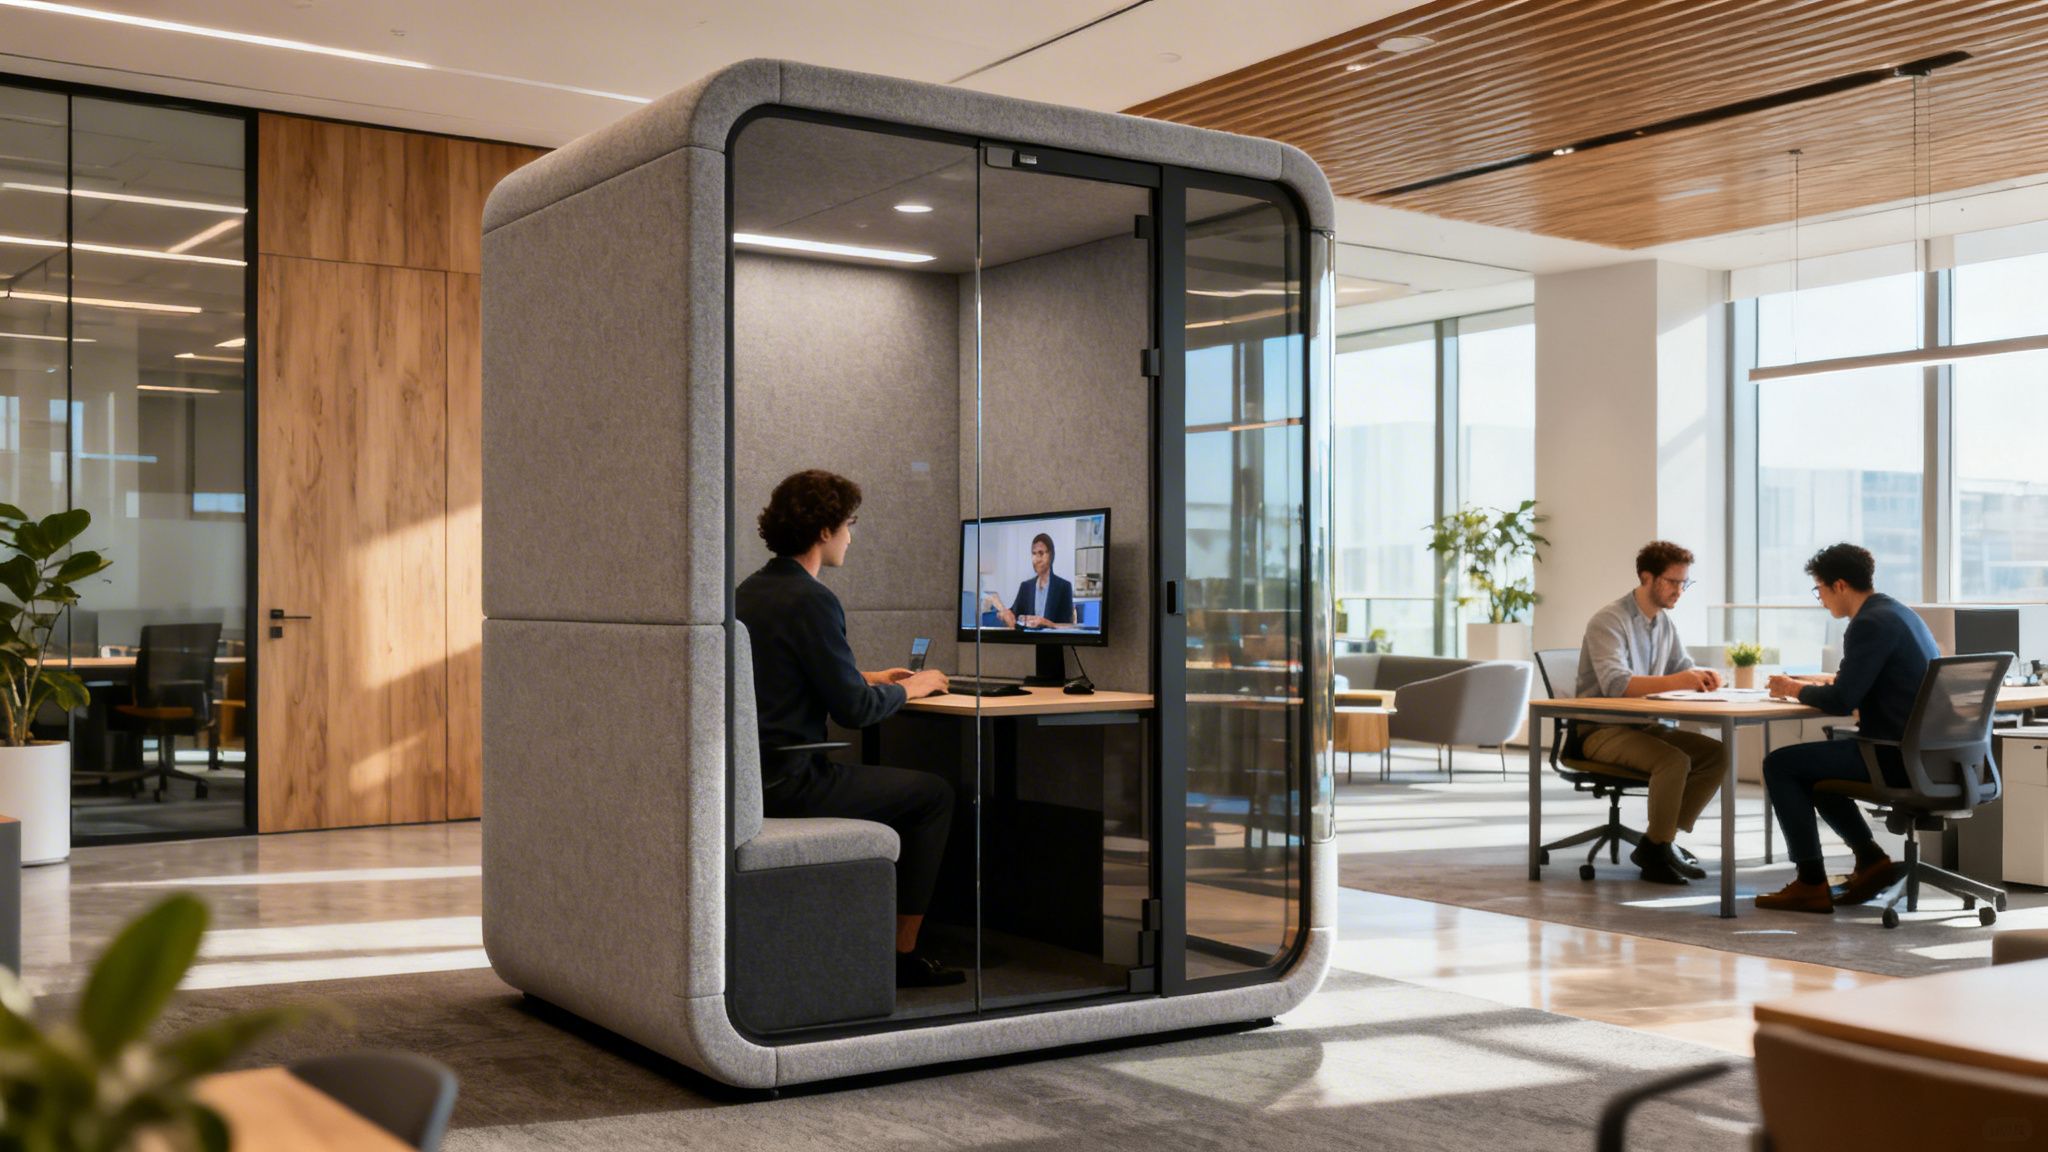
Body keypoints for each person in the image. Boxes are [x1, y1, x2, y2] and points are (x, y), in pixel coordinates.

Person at [735, 469, 963, 987]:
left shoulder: (750, 591)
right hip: (793, 780)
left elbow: (783, 675)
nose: (850, 537)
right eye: (848, 524)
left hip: (754, 778)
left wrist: (870, 676)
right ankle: (900, 955)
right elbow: (855, 712)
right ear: (824, 531)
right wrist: (915, 686)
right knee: (934, 795)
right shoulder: (814, 599)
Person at [1755, 543, 1936, 914]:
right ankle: (1870, 859)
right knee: (1814, 770)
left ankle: (1810, 883)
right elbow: (1863, 682)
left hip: (1891, 754)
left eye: (1818, 589)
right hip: (1927, 754)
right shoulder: (1897, 613)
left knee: (1780, 764)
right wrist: (1816, 681)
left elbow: (1841, 700)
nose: (1820, 599)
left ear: (1839, 585)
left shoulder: (1868, 623)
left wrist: (1792, 689)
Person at [1576, 540, 1727, 885]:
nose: (1679, 591)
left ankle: (1659, 842)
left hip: (1643, 727)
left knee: (1716, 754)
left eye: (1684, 583)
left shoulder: (1663, 624)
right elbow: (1617, 685)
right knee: (1673, 761)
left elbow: (1682, 667)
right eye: (1672, 582)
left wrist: (1702, 676)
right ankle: (1657, 850)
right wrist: (1683, 678)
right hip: (1600, 731)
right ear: (1647, 578)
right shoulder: (1609, 620)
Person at [985, 532, 1076, 629]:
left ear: (1051, 555)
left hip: (1053, 643)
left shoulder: (1063, 587)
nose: (1037, 559)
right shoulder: (1026, 587)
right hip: (1028, 643)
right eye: (1034, 554)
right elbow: (1014, 614)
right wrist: (1003, 614)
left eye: (1041, 553)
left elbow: (1069, 626)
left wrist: (1046, 623)